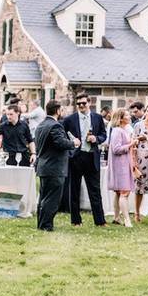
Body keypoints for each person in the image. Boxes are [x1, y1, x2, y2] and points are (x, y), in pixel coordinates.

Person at [63, 93, 107, 227]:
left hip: (92, 156)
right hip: (76, 157)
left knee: (95, 191)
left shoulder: (98, 118)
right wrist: (71, 144)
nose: (81, 106)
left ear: (89, 103)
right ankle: (76, 221)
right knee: (74, 190)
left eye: (84, 103)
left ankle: (100, 221)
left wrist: (96, 139)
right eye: (79, 104)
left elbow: (103, 135)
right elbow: (63, 135)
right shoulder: (69, 119)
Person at [35, 100, 80, 231]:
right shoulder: (55, 126)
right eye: (62, 109)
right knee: (52, 199)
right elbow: (60, 143)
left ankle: (41, 224)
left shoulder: (41, 125)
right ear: (58, 111)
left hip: (43, 166)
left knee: (44, 198)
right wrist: (74, 143)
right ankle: (46, 225)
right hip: (54, 167)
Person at [106, 108, 135, 227]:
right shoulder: (117, 131)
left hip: (123, 163)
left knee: (119, 192)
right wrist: (131, 144)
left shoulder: (122, 130)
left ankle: (117, 217)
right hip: (120, 165)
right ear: (121, 118)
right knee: (124, 192)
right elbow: (116, 149)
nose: (130, 116)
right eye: (127, 115)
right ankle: (127, 220)